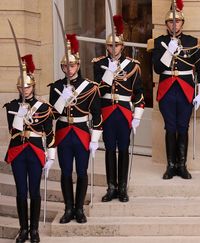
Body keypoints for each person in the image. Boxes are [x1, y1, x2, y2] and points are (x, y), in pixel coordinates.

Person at [49, 34, 103, 223]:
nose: (69, 69)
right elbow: (53, 115)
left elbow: (97, 114)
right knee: (65, 172)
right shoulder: (56, 86)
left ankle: (79, 209)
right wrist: (62, 98)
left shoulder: (90, 87)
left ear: (78, 66)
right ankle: (68, 208)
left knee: (81, 172)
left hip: (81, 132)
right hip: (63, 132)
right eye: (65, 66)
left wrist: (95, 138)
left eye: (72, 66)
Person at [93, 15, 145, 202]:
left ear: (122, 47)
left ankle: (122, 188)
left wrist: (137, 116)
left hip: (123, 112)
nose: (113, 49)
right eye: (109, 46)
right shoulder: (99, 64)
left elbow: (138, 92)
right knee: (109, 150)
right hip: (107, 111)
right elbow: (98, 90)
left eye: (116, 46)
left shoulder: (132, 65)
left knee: (123, 149)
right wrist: (109, 72)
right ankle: (111, 187)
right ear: (106, 47)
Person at [151, 6, 200, 180]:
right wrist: (168, 51)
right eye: (170, 21)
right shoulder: (160, 42)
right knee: (170, 127)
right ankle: (171, 166)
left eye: (177, 21)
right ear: (166, 24)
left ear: (182, 22)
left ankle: (182, 165)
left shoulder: (192, 41)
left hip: (185, 89)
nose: (174, 24)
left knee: (183, 127)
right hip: (167, 88)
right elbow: (158, 69)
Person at [4, 54, 55, 243]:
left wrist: (51, 157)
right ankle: (23, 229)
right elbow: (13, 129)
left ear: (33, 86)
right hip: (18, 150)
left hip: (34, 150)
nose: (24, 90)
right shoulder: (11, 106)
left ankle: (34, 230)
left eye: (27, 86)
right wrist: (22, 111)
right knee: (20, 191)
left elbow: (49, 133)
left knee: (34, 191)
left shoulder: (44, 108)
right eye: (21, 87)